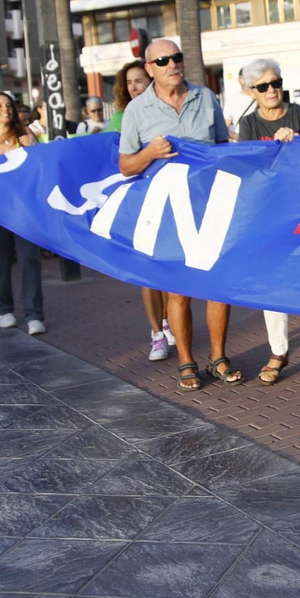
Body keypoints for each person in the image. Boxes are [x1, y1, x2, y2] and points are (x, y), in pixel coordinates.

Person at [118, 38, 238, 389]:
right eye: (163, 61)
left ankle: (218, 358)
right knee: (178, 291)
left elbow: (222, 150)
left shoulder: (206, 97)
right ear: (150, 68)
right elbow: (125, 165)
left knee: (217, 285)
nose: (172, 64)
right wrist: (150, 154)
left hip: (210, 203)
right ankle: (186, 360)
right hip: (167, 210)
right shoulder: (137, 110)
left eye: (176, 57)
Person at [235, 59, 300, 384]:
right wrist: (278, 148)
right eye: (263, 86)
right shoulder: (249, 124)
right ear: (252, 91)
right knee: (272, 284)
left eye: (276, 83)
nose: (272, 90)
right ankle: (278, 352)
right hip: (270, 216)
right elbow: (248, 169)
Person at [108, 59, 173, 358]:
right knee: (146, 269)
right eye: (129, 82)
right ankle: (157, 333)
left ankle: (169, 322)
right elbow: (118, 162)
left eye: (139, 81)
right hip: (137, 199)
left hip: (168, 196)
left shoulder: (163, 111)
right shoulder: (121, 118)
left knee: (169, 268)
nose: (134, 87)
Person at [0, 92, 45, 334]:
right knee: (2, 258)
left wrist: (33, 149)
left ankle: (34, 315)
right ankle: (4, 310)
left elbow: (41, 168)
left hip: (24, 210)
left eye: (8, 105)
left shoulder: (25, 136)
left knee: (28, 258)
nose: (5, 109)